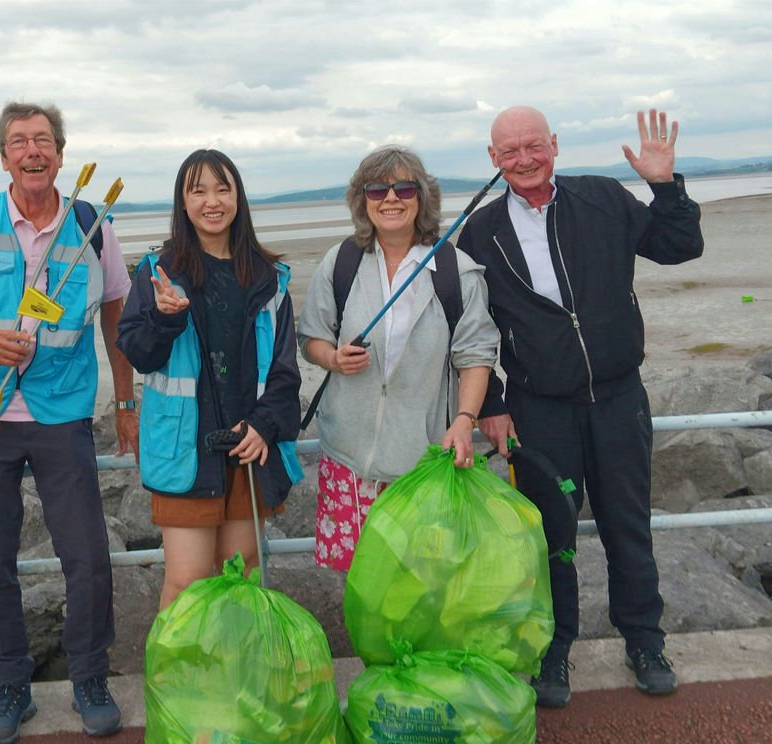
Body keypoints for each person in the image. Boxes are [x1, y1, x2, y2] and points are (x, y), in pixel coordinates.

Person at [457, 107, 705, 708]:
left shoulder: (602, 198)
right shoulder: (479, 231)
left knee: (628, 526)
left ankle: (644, 641)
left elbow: (680, 246)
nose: (523, 159)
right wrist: (490, 401)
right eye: (509, 150)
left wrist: (665, 186)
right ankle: (553, 649)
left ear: (555, 145)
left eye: (533, 146)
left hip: (620, 398)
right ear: (493, 159)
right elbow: (473, 329)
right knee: (550, 535)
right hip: (541, 410)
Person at [0, 102, 137, 744]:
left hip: (62, 413)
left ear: (62, 154)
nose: (32, 150)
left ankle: (90, 678)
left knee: (88, 556)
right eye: (19, 141)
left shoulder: (93, 225)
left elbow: (116, 320)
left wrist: (125, 402)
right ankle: (10, 686)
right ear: (4, 156)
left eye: (43, 139)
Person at [116, 149, 302, 610]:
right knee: (187, 584)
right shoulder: (159, 272)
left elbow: (284, 371)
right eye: (197, 190)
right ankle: (175, 682)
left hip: (247, 447)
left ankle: (238, 679)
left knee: (243, 577)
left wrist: (264, 425)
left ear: (238, 197)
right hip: (186, 449)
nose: (211, 201)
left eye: (223, 188)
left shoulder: (268, 277)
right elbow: (137, 353)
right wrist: (162, 318)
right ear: (182, 202)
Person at [297, 146, 499, 571]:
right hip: (348, 465)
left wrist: (464, 421)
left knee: (418, 587)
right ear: (362, 199)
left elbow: (476, 356)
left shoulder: (456, 271)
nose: (391, 198)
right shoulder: (342, 262)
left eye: (404, 188)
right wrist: (332, 357)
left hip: (423, 465)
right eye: (377, 189)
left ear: (422, 197)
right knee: (357, 586)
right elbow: (311, 336)